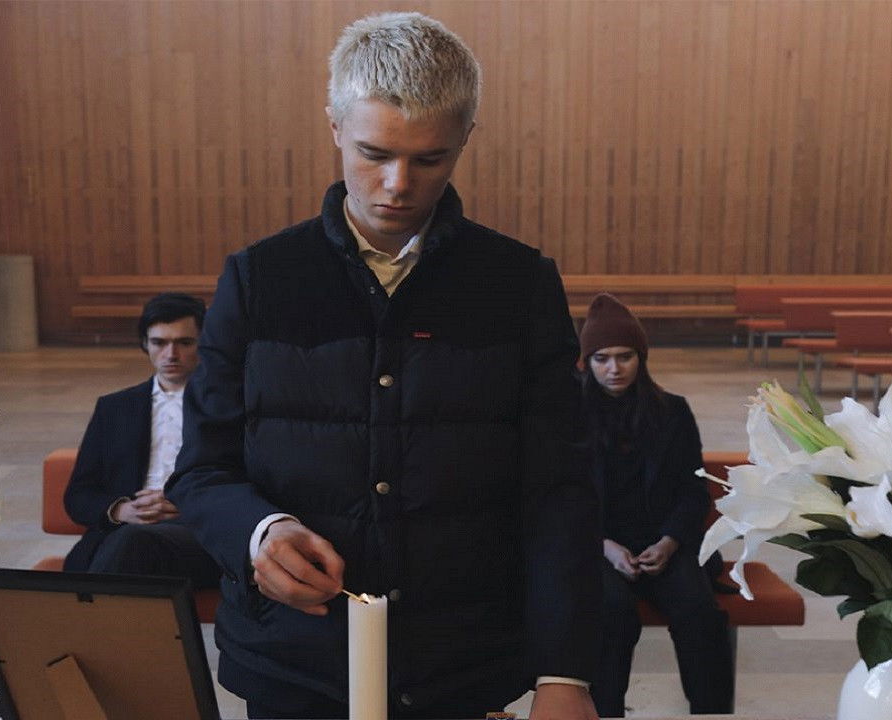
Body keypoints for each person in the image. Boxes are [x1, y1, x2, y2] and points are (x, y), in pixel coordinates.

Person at [168, 12, 600, 720]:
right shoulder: (260, 279)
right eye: (375, 153)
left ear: (465, 139)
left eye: (430, 160)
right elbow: (201, 470)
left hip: (461, 661)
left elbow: (560, 488)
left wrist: (565, 672)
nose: (398, 184)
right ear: (335, 127)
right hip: (295, 660)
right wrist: (259, 533)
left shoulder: (517, 285)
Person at [577, 293, 734, 717]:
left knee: (699, 614)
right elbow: (559, 499)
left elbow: (693, 491)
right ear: (587, 362)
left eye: (624, 357)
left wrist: (669, 542)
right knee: (612, 613)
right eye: (601, 359)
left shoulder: (672, 411)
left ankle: (711, 712)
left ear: (641, 358)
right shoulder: (568, 417)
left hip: (662, 543)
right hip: (595, 546)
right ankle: (605, 712)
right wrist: (604, 546)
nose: (614, 368)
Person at [61, 292, 219, 586]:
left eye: (185, 343)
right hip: (125, 534)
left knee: (132, 544)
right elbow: (78, 497)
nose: (171, 355)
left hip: (199, 534)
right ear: (145, 344)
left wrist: (186, 503)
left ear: (204, 343)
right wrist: (121, 510)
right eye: (159, 343)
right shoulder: (114, 408)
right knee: (127, 543)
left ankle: (85, 612)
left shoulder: (229, 406)